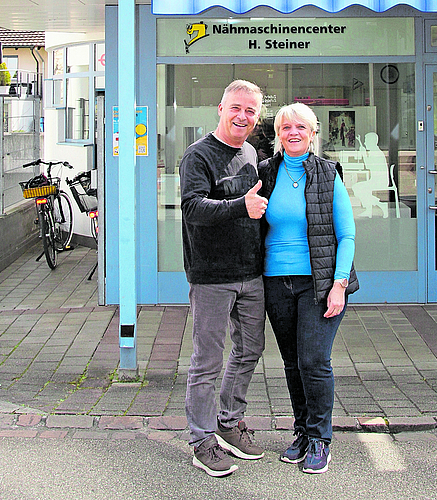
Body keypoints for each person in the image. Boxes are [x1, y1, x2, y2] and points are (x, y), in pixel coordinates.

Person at [258, 102, 359, 474]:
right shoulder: (266, 172)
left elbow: (346, 234)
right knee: (291, 362)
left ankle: (320, 438)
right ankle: (301, 430)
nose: (293, 133)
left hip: (319, 284)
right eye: (286, 127)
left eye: (301, 127)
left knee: (314, 361)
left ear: (313, 132)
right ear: (278, 135)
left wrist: (339, 284)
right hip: (275, 282)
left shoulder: (327, 173)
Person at [179, 79, 268, 478]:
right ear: (220, 108)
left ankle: (229, 423)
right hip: (212, 276)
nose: (243, 116)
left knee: (250, 349)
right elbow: (193, 208)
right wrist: (240, 206)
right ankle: (202, 440)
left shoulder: (250, 152)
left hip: (250, 274)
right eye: (236, 108)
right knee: (207, 360)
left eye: (251, 111)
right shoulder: (198, 156)